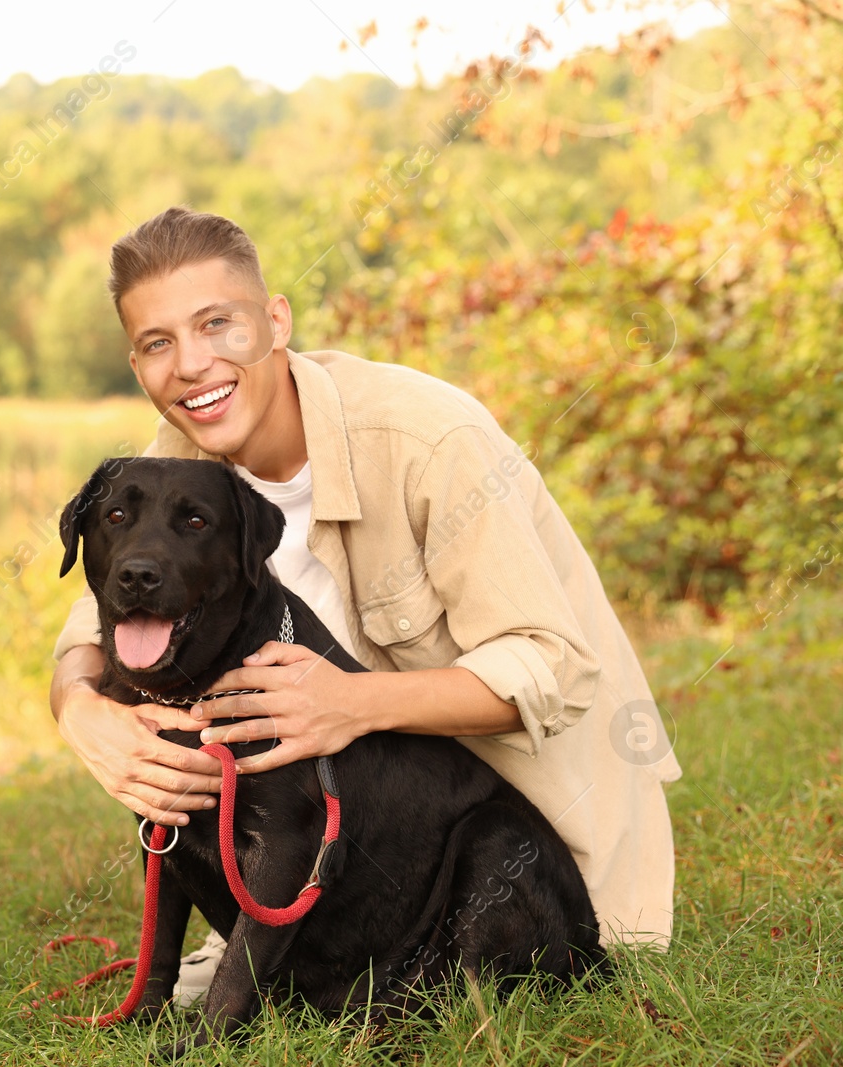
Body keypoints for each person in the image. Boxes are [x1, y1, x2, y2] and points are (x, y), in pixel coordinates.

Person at [48, 206, 680, 1003]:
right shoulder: (177, 461)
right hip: (340, 859)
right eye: (158, 343)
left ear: (276, 321)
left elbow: (550, 663)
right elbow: (92, 632)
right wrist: (82, 713)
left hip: (523, 864)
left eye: (218, 324)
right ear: (137, 363)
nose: (193, 364)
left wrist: (352, 702)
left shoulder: (429, 441)